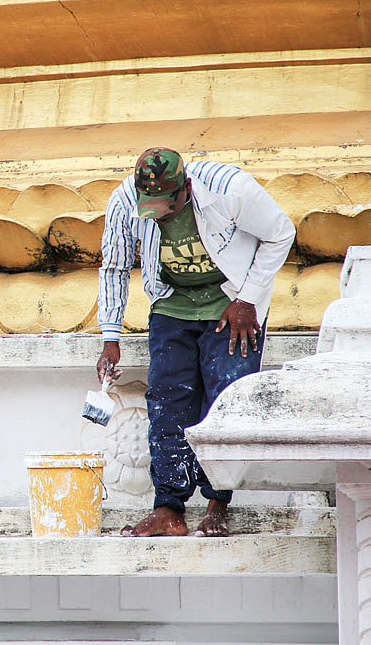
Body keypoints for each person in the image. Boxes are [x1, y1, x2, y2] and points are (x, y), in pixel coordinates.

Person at [97, 148, 294, 537]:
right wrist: (110, 336)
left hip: (231, 303)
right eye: (150, 209)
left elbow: (281, 233)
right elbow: (115, 266)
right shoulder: (124, 202)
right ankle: (168, 508)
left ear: (186, 188)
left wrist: (247, 299)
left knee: (225, 400)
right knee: (167, 401)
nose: (159, 217)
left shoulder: (229, 189)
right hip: (172, 302)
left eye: (166, 209)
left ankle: (217, 504)